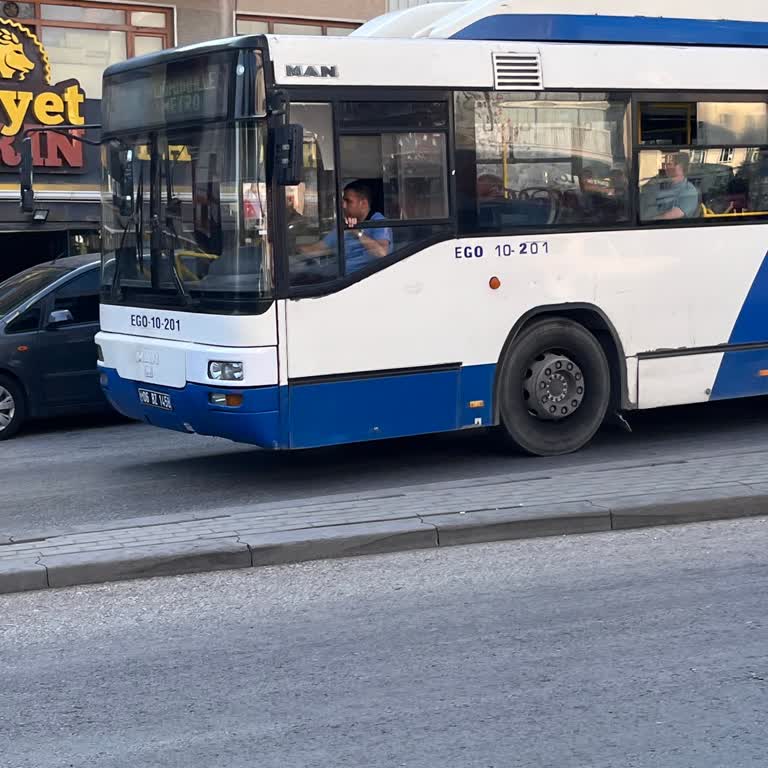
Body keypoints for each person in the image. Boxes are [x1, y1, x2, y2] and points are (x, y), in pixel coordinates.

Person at [299, 181, 391, 274]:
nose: (343, 206)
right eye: (343, 201)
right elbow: (318, 248)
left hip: (365, 277)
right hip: (341, 276)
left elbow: (382, 253)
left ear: (363, 203)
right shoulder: (345, 225)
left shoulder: (378, 222)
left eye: (348, 201)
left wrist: (357, 233)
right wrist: (295, 251)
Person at [640, 152, 700, 221]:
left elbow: (667, 217)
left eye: (671, 163)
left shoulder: (689, 191)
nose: (667, 167)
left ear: (682, 166)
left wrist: (646, 222)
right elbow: (642, 192)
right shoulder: (660, 182)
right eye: (667, 163)